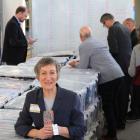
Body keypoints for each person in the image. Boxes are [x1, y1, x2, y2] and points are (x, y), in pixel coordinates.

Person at [69, 26, 126, 140]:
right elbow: (95, 60)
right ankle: (116, 127)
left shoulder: (84, 45)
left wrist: (74, 64)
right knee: (114, 104)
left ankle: (112, 135)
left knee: (108, 106)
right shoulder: (97, 42)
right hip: (118, 74)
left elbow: (83, 67)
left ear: (81, 37)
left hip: (108, 79)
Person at [15, 57, 86, 140]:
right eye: (43, 73)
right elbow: (20, 125)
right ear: (38, 77)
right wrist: (38, 133)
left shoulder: (72, 98)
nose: (48, 78)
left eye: (52, 73)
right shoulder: (31, 97)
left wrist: (58, 130)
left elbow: (80, 130)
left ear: (57, 75)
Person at [127, 28, 140, 120]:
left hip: (138, 79)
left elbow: (132, 70)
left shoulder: (136, 48)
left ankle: (135, 114)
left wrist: (130, 72)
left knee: (136, 97)